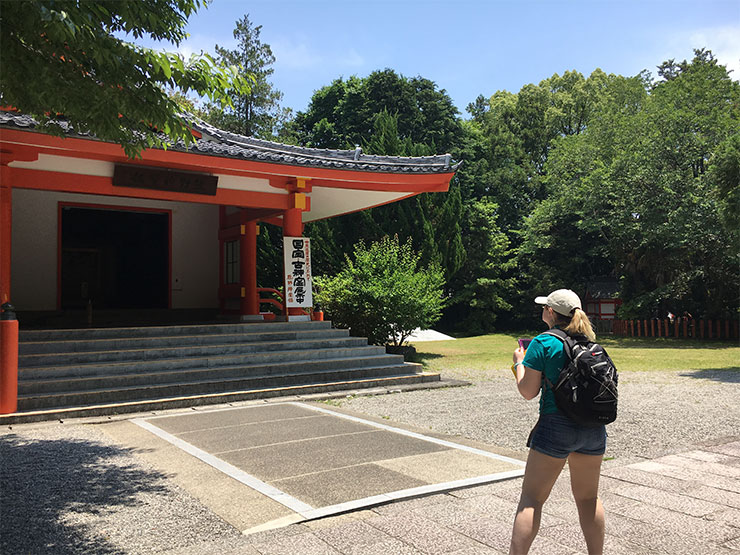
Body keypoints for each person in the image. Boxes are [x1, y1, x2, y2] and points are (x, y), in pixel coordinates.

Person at [509, 289, 606, 555]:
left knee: (531, 500)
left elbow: (528, 392)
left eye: (544, 308)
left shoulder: (542, 343)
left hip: (556, 426)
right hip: (594, 428)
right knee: (588, 498)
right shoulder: (590, 343)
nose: (542, 311)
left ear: (551, 312)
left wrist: (518, 363)